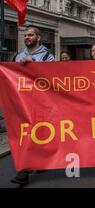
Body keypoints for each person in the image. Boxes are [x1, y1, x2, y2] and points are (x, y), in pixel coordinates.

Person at [10, 26, 55, 186]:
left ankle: (31, 167)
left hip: (40, 103)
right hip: (22, 103)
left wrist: (33, 64)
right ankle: (29, 168)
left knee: (38, 134)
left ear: (38, 38)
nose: (27, 37)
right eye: (25, 35)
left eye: (30, 35)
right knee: (27, 135)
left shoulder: (48, 56)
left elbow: (51, 78)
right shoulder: (18, 56)